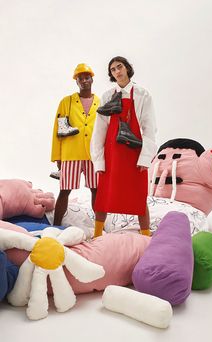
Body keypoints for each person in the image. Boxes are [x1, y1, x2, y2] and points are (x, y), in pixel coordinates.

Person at [91, 56, 157, 237]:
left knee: (138, 194)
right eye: (113, 70)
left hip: (134, 155)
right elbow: (99, 131)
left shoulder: (143, 95)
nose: (117, 71)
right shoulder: (107, 97)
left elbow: (149, 129)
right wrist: (99, 161)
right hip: (111, 155)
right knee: (104, 194)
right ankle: (97, 234)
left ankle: (146, 235)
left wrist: (145, 158)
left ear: (127, 68)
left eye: (119, 67)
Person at [51, 63, 99, 225]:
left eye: (87, 78)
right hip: (71, 154)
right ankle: (56, 226)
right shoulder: (67, 102)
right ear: (76, 81)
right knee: (65, 191)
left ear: (92, 79)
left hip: (94, 155)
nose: (84, 81)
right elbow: (58, 129)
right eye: (80, 78)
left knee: (96, 191)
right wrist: (57, 157)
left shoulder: (101, 102)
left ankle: (99, 228)